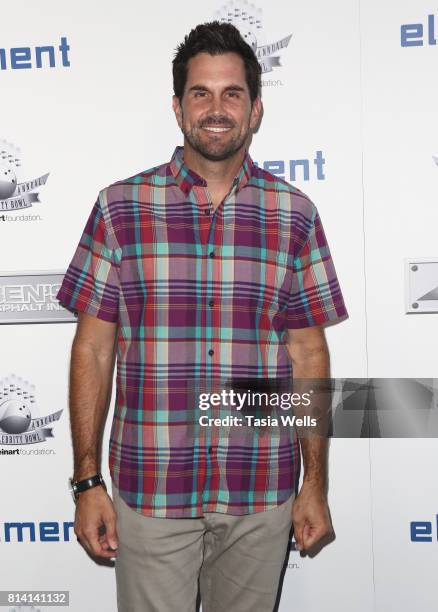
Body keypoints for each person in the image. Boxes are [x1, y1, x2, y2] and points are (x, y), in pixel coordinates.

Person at [57, 20, 348, 612]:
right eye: (201, 93)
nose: (217, 109)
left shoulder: (294, 214)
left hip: (260, 487)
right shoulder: (120, 209)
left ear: (256, 108)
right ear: (177, 106)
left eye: (232, 93)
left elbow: (307, 354)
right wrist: (87, 482)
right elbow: (92, 350)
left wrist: (313, 483)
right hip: (151, 486)